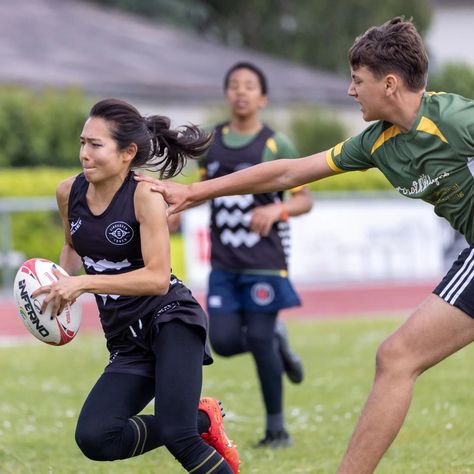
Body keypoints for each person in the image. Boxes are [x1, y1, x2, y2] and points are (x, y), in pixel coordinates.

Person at [136, 17, 474, 474]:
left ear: (389, 84)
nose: (351, 91)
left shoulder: (455, 119)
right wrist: (194, 192)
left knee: (397, 357)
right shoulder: (376, 143)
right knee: (396, 358)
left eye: (358, 81)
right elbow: (287, 173)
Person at [32, 98, 240, 474]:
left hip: (171, 320)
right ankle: (202, 420)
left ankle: (190, 426)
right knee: (96, 438)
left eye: (96, 145)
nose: (84, 153)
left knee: (179, 437)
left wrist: (83, 283)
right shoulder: (69, 192)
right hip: (125, 336)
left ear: (128, 153)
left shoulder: (144, 196)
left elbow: (158, 278)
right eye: (83, 142)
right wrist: (60, 290)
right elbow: (71, 246)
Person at [200, 61, 312, 448]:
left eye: (249, 86)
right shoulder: (210, 142)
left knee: (259, 338)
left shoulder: (276, 144)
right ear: (227, 93)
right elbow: (202, 188)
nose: (241, 92)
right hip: (224, 264)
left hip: (265, 263)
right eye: (234, 85)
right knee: (225, 342)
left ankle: (277, 430)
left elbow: (304, 200)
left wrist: (276, 209)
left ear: (262, 98)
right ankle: (279, 342)